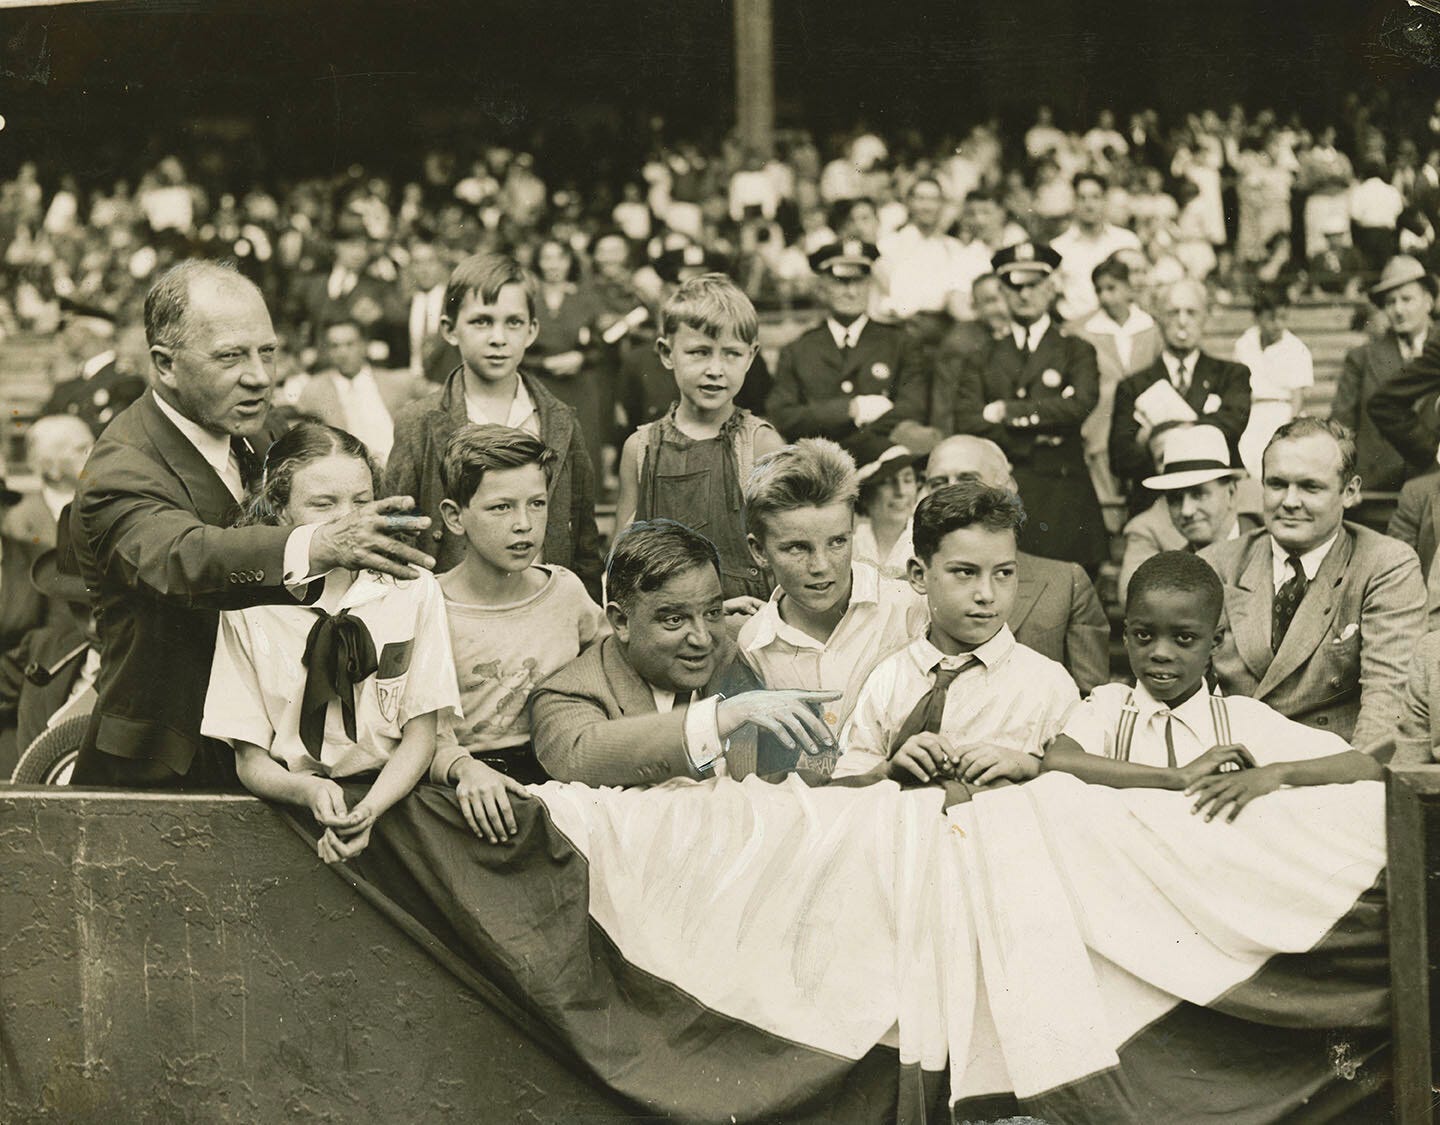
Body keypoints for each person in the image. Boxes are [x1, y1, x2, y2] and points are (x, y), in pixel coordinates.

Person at [70, 260, 434, 789]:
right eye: (231, 357)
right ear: (164, 365)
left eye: (268, 351)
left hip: (276, 755)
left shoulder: (261, 433)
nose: (260, 376)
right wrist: (320, 542)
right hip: (169, 763)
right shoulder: (121, 468)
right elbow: (185, 558)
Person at [202, 423, 460, 865]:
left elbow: (422, 734)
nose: (351, 518)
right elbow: (250, 756)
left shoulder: (413, 589)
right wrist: (309, 790)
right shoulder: (249, 604)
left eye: (362, 501)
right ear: (280, 510)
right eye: (323, 504)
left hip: (397, 805)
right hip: (289, 810)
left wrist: (369, 810)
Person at [1042, 552, 1381, 821]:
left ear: (1215, 642)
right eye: (1144, 635)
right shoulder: (1110, 706)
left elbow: (1366, 765)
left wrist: (1276, 773)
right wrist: (1177, 777)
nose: (1160, 653)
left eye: (1184, 639)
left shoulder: (1240, 718)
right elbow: (1057, 761)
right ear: (1127, 634)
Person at [530, 520, 840, 786]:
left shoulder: (746, 642)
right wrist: (719, 718)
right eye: (674, 619)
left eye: (712, 612)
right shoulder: (567, 694)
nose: (703, 639)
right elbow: (580, 754)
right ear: (621, 621)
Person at [427, 425, 608, 842]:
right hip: (467, 789)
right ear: (455, 517)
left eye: (537, 504)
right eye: (501, 508)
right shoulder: (429, 606)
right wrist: (462, 768)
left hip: (561, 782)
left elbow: (611, 664)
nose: (524, 524)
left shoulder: (565, 591)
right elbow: (415, 727)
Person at [832, 480, 1080, 784]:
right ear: (919, 575)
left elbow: (1078, 788)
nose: (987, 594)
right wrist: (889, 769)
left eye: (1003, 573)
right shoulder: (888, 679)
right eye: (965, 572)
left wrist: (1027, 766)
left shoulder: (1048, 685)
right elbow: (845, 787)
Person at [386, 252, 602, 600]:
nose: (498, 338)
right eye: (482, 322)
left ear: (532, 330)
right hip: (451, 610)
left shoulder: (559, 420)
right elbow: (396, 531)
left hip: (543, 604)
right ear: (450, 330)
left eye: (513, 322)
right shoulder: (420, 422)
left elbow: (584, 542)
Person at [1199, 418, 1426, 747]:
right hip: (1233, 761)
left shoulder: (1385, 565)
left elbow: (1387, 708)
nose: (1290, 501)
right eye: (1277, 484)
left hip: (1333, 768)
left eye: (1310, 487)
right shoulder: (1217, 564)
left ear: (1350, 492)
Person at [736, 439, 927, 773]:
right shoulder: (754, 642)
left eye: (838, 541)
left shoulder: (908, 607)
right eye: (797, 548)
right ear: (759, 552)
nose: (821, 566)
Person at [616, 273, 783, 602]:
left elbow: (782, 552)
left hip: (747, 622)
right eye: (699, 352)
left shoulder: (760, 444)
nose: (715, 369)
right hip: (663, 620)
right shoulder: (640, 449)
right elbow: (621, 562)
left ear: (751, 356)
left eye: (731, 354)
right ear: (666, 353)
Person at [951, 241, 1107, 571]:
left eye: (1034, 285)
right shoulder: (981, 357)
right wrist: (1036, 434)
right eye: (1014, 286)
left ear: (1051, 288)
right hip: (1002, 491)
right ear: (1003, 292)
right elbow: (967, 420)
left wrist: (1007, 411)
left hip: (1064, 494)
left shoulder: (1075, 350)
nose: (1024, 294)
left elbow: (1079, 405)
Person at [923, 435, 1110, 694]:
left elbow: (1090, 704)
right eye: (938, 483)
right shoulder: (901, 585)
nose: (951, 493)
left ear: (1007, 488)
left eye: (968, 480)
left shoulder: (1064, 583)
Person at [767, 239, 926, 451]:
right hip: (818, 464)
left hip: (882, 460)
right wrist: (850, 410)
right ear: (822, 287)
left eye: (859, 281)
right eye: (840, 282)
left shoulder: (900, 343)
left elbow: (913, 408)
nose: (851, 292)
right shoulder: (797, 350)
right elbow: (783, 415)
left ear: (870, 284)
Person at [1110, 278, 1252, 511]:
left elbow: (1233, 424)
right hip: (1155, 506)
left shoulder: (1231, 375)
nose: (1182, 322)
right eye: (1173, 313)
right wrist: (1197, 427)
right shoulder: (1132, 386)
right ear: (1158, 318)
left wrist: (1157, 434)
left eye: (1191, 312)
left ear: (1205, 317)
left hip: (1214, 505)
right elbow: (1120, 459)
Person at [1332, 255, 1435, 499]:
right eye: (1390, 302)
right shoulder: (1362, 358)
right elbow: (1340, 427)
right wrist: (1345, 480)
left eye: (1407, 299)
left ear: (1429, 301)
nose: (1398, 310)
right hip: (1378, 491)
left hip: (1435, 487)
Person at [1118, 424, 1257, 603]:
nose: (1186, 511)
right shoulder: (1174, 565)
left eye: (1198, 494)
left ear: (1231, 492)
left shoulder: (1269, 542)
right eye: (1175, 499)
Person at [1071, 254, 1163, 513]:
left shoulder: (1151, 328)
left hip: (1142, 416)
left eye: (1112, 289)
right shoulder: (1083, 331)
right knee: (1104, 481)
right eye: (1099, 290)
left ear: (1127, 288)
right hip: (1101, 417)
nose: (1105, 297)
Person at [294, 318, 424, 468]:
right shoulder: (314, 390)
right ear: (328, 351)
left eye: (350, 344)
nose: (343, 352)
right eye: (335, 346)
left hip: (401, 466)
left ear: (364, 346)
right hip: (350, 473)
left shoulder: (396, 381)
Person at [528, 236, 606, 479]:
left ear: (569, 262)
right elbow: (516, 346)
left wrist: (580, 359)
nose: (553, 265)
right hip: (539, 383)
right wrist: (544, 363)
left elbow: (601, 346)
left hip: (579, 384)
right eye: (546, 258)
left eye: (559, 258)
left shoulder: (586, 299)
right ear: (538, 263)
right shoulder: (528, 298)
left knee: (583, 448)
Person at [1234, 286, 1313, 479]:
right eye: (1271, 318)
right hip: (1251, 411)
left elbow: (1297, 397)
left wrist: (1291, 429)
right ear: (1258, 317)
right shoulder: (1245, 343)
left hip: (1281, 412)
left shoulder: (1295, 348)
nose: (1278, 324)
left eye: (1283, 318)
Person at [41, 298, 147, 435]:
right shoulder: (64, 388)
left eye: (68, 328)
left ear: (87, 333)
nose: (62, 336)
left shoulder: (126, 383)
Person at [1051, 172, 1142, 321]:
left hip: (1122, 326)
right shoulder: (1058, 248)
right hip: (1076, 328)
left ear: (1105, 200)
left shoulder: (1127, 241)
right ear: (1074, 202)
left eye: (1095, 197)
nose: (1089, 205)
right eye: (1082, 198)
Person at [1, 414, 93, 548]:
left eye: (96, 445)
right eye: (81, 449)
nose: (95, 453)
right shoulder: (18, 521)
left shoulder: (118, 505)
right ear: (51, 467)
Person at [850, 438, 922, 580]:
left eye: (907, 480)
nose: (900, 491)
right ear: (865, 495)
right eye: (887, 483)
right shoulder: (852, 548)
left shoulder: (928, 545)